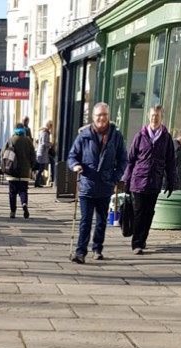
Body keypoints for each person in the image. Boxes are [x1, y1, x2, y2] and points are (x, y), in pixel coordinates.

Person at [68, 102, 127, 263]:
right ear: (93, 117)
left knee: (101, 221)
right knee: (85, 221)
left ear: (108, 117)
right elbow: (72, 156)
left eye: (105, 115)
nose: (102, 118)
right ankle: (80, 252)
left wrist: (114, 178)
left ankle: (97, 248)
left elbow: (123, 160)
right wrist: (75, 166)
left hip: (105, 185)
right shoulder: (84, 135)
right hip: (87, 184)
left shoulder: (116, 136)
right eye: (99, 115)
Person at [123, 105, 176, 255]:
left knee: (149, 212)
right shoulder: (140, 136)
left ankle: (142, 238)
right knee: (139, 211)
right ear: (148, 116)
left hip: (155, 181)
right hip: (139, 180)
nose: (155, 118)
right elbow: (131, 160)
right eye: (153, 115)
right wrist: (127, 180)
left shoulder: (166, 138)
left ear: (161, 117)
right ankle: (137, 243)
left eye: (157, 115)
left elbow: (170, 161)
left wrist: (171, 180)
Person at [1, 121, 37, 219]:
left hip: (12, 171)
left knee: (12, 192)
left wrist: (4, 166)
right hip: (24, 172)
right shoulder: (28, 141)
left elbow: (3, 154)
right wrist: (32, 166)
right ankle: (24, 203)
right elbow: (33, 156)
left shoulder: (10, 140)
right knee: (23, 191)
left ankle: (13, 212)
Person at [34, 120, 53, 187]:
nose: (51, 127)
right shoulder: (45, 133)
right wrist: (51, 144)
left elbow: (37, 140)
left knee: (41, 168)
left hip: (40, 151)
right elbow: (44, 143)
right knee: (41, 168)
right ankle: (37, 182)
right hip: (43, 152)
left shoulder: (41, 131)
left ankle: (37, 182)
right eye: (51, 125)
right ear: (48, 125)